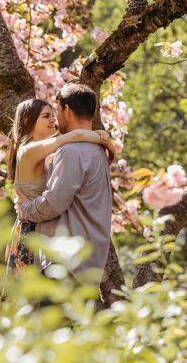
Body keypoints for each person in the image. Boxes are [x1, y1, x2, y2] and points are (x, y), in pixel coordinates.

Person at [16, 84, 114, 286]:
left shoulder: (70, 152)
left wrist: (25, 209)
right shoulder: (97, 150)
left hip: (66, 260)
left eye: (56, 111)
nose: (54, 119)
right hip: (89, 259)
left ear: (67, 110)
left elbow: (54, 203)